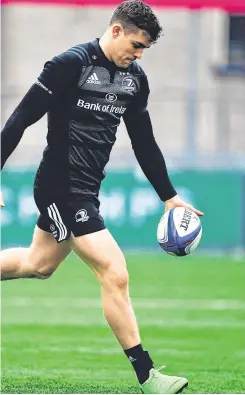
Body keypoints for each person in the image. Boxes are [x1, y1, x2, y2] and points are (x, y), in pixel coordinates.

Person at [1, 0, 204, 392]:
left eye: (145, 48)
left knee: (38, 263)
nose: (139, 53)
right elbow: (20, 118)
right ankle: (148, 375)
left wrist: (169, 196)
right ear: (115, 30)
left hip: (87, 189)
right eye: (136, 43)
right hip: (60, 187)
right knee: (115, 271)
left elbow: (144, 141)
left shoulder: (134, 79)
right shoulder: (68, 64)